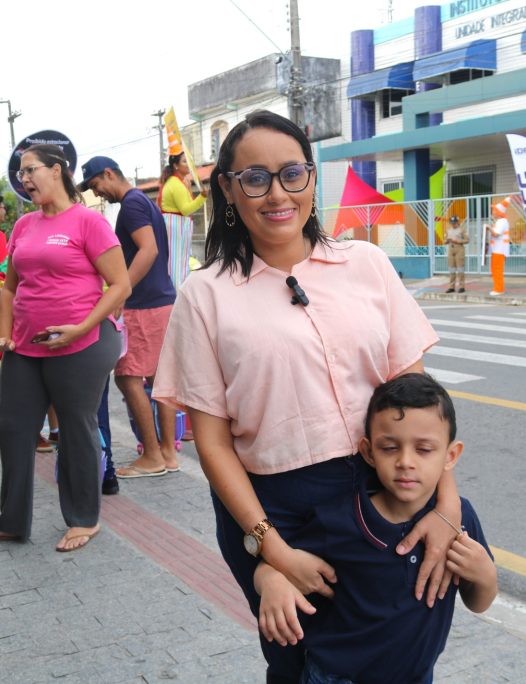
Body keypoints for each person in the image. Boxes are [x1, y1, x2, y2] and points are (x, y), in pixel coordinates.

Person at [152, 110, 458, 682]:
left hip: (383, 491)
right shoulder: (205, 295)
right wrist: (270, 550)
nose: (277, 194)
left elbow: (422, 410)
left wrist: (447, 506)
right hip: (275, 506)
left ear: (313, 178)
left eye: (292, 173)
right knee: (302, 662)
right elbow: (212, 442)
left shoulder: (365, 264)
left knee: (398, 650)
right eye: (255, 177)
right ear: (228, 188)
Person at [255, 373, 497, 684]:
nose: (406, 462)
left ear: (451, 456)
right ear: (368, 452)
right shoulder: (339, 521)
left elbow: (479, 602)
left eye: (424, 449)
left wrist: (484, 574)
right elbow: (275, 564)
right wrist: (271, 579)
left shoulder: (458, 522)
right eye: (389, 448)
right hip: (334, 677)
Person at [0, 144, 130, 550]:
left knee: (75, 427)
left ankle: (83, 518)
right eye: (19, 173)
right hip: (25, 344)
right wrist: (5, 334)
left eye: (29, 169)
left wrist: (80, 327)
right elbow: (9, 289)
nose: (23, 179)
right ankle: (12, 520)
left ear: (57, 171)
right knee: (13, 427)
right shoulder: (24, 226)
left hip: (83, 342)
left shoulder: (88, 222)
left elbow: (120, 285)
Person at [80, 156, 179, 480]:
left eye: (97, 186)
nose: (100, 194)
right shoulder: (142, 200)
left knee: (126, 376)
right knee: (157, 379)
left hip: (144, 303)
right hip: (161, 299)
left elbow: (147, 250)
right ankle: (167, 452)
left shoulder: (131, 205)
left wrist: (121, 291)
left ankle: (152, 455)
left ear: (109, 174)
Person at [158, 151, 207, 289]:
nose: (189, 165)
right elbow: (186, 209)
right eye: (185, 161)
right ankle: (176, 297)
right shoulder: (175, 184)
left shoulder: (177, 182)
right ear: (176, 166)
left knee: (178, 264)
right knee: (177, 266)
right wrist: (202, 197)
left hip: (176, 226)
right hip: (175, 226)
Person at [484, 196, 510, 296]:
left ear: (498, 212)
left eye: (494, 211)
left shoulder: (501, 222)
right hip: (498, 250)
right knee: (495, 270)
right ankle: (498, 288)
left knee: (497, 270)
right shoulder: (502, 222)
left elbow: (496, 234)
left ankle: (499, 289)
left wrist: (488, 228)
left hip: (499, 250)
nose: (493, 213)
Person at [444, 215, 468, 293]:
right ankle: (451, 287)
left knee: (460, 269)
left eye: (455, 222)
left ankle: (461, 286)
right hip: (451, 249)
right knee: (452, 269)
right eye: (452, 223)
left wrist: (458, 241)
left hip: (459, 249)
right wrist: (446, 241)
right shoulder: (448, 230)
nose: (453, 224)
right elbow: (444, 240)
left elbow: (467, 240)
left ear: (458, 222)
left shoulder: (462, 230)